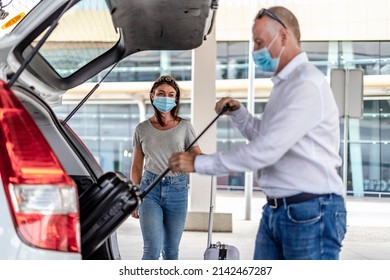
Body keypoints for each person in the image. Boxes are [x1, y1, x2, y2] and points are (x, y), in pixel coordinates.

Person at [168, 6, 347, 260]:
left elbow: (266, 151)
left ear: (284, 37)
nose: (255, 51)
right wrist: (239, 113)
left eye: (259, 42)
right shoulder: (284, 87)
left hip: (310, 212)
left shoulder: (306, 84)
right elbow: (267, 138)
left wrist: (199, 163)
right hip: (278, 210)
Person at [130, 75, 202, 260]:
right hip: (149, 189)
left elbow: (197, 154)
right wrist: (134, 196)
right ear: (152, 96)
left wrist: (217, 162)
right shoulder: (141, 129)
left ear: (176, 99)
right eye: (161, 93)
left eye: (171, 94)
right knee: (151, 251)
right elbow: (137, 165)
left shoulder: (185, 126)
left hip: (177, 189)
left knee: (171, 252)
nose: (166, 98)